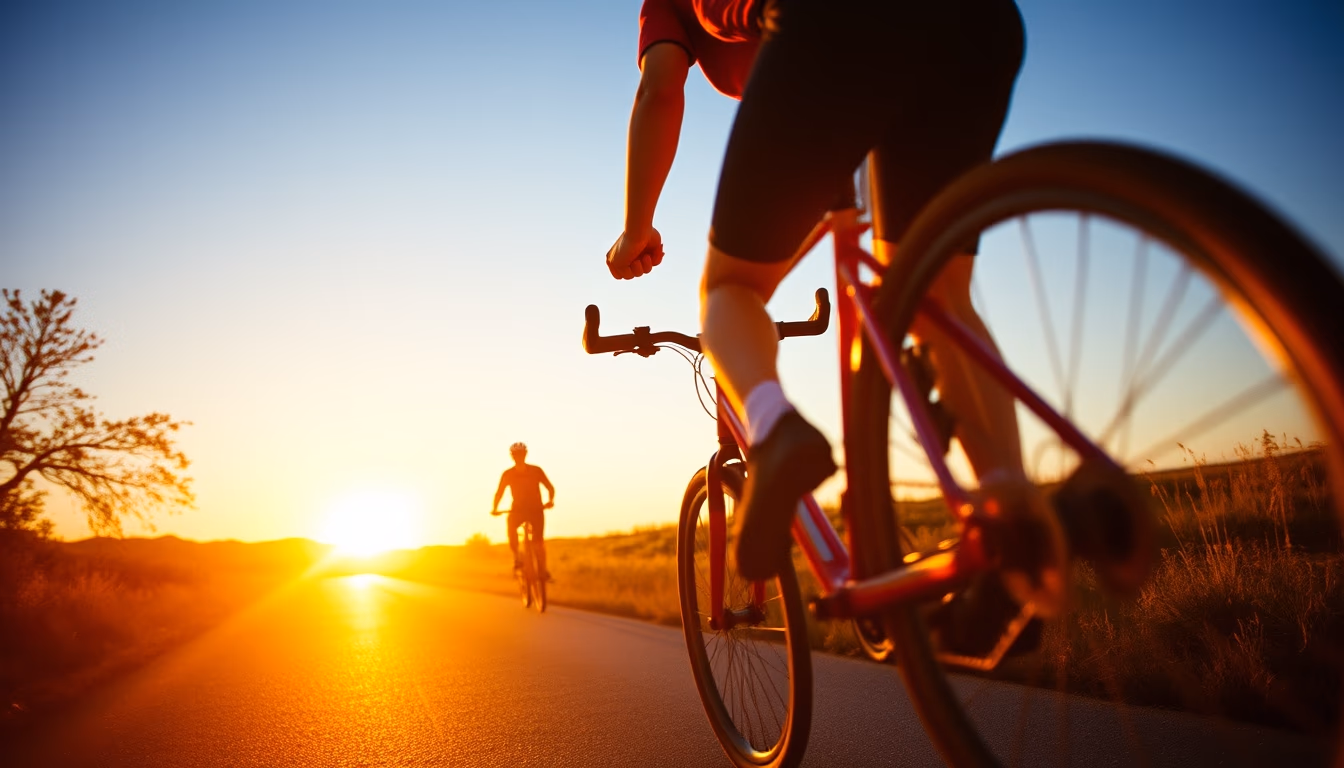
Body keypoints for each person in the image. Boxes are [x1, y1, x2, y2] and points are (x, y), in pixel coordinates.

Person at [605, 0, 1066, 623]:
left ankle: (776, 432)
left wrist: (636, 227)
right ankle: (1014, 542)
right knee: (935, 299)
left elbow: (662, 89)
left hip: (833, 29)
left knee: (728, 293)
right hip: (976, 26)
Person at [491, 442, 555, 579]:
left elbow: (550, 487)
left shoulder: (536, 470)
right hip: (519, 511)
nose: (518, 457)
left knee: (538, 542)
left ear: (525, 454)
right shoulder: (508, 474)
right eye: (516, 454)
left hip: (536, 510)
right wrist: (495, 507)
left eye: (520, 454)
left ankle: (542, 570)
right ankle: (518, 558)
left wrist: (550, 500)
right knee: (512, 529)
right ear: (512, 456)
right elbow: (499, 493)